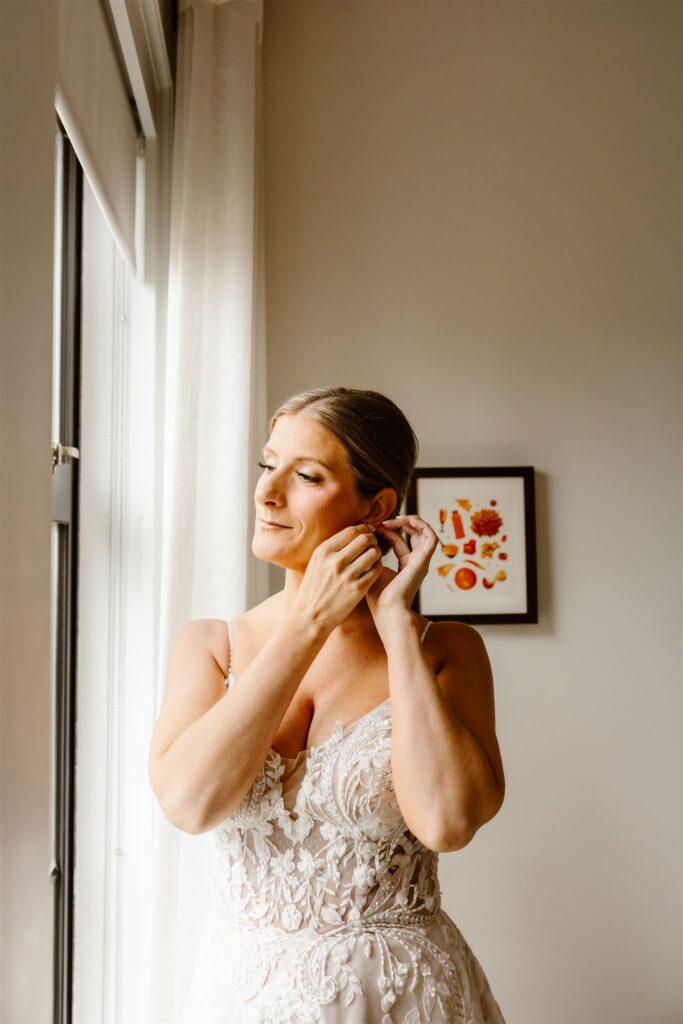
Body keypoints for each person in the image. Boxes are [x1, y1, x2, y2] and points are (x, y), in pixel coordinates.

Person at [149, 386, 507, 1023]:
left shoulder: (445, 650)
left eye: (306, 475)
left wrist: (397, 627)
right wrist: (306, 624)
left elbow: (447, 823)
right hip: (245, 996)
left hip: (401, 998)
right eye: (267, 465)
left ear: (377, 507)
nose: (266, 492)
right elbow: (189, 804)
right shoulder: (209, 646)